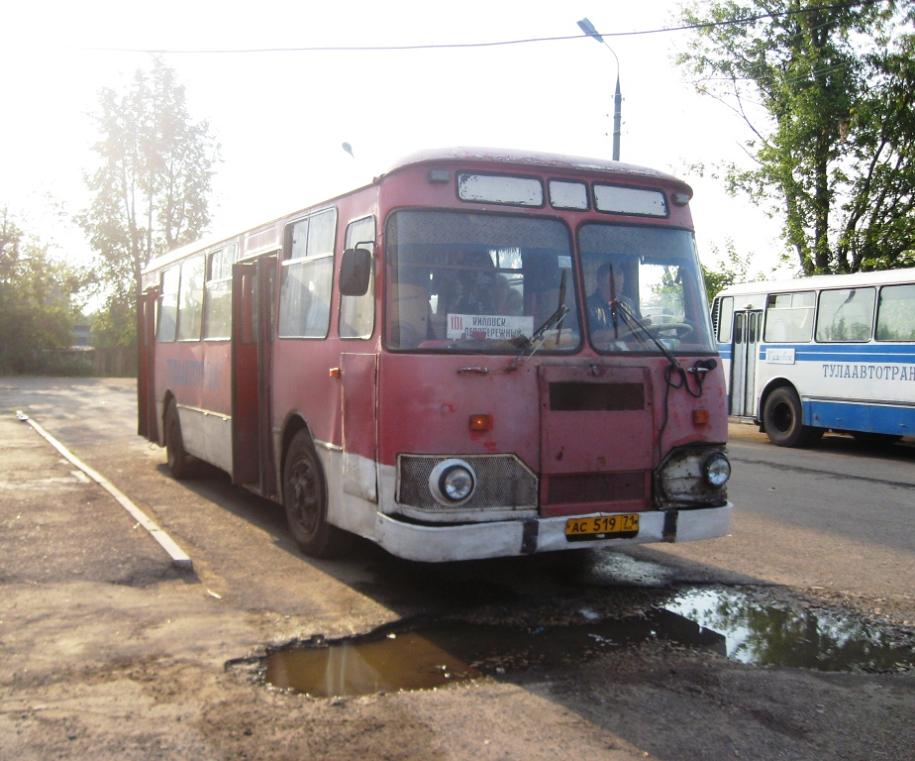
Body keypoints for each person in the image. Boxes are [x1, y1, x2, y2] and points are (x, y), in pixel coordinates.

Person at [586, 262, 641, 336]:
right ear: (600, 284)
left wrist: (644, 325)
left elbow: (639, 328)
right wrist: (627, 327)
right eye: (613, 286)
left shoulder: (629, 303)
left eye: (620, 285)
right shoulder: (587, 307)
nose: (618, 290)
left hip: (632, 346)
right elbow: (593, 337)